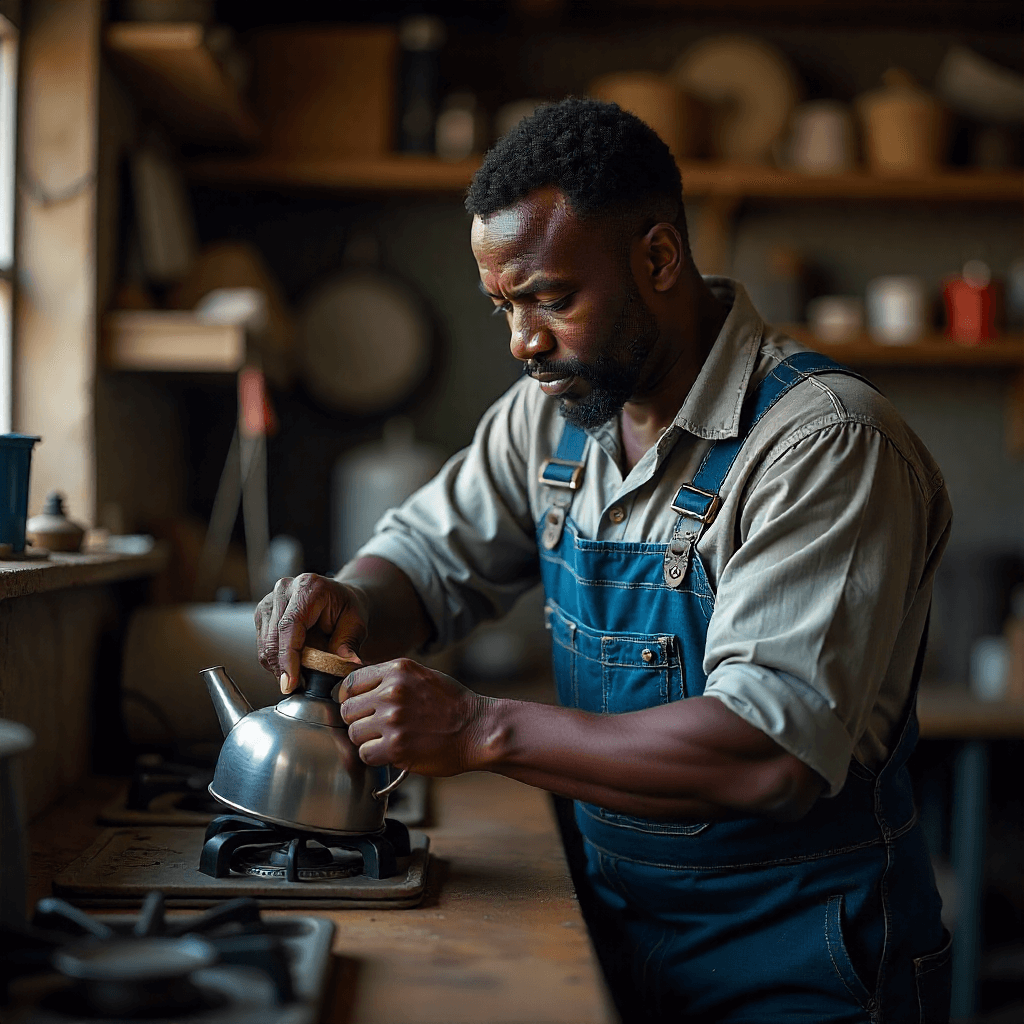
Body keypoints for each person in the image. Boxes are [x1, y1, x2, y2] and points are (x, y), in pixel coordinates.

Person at [255, 98, 953, 1023]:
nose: (522, 343)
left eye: (550, 298)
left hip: (804, 961)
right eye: (503, 306)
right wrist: (345, 598)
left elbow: (767, 753)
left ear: (658, 259)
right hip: (618, 926)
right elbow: (424, 561)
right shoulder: (553, 415)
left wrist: (479, 731)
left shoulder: (822, 444)